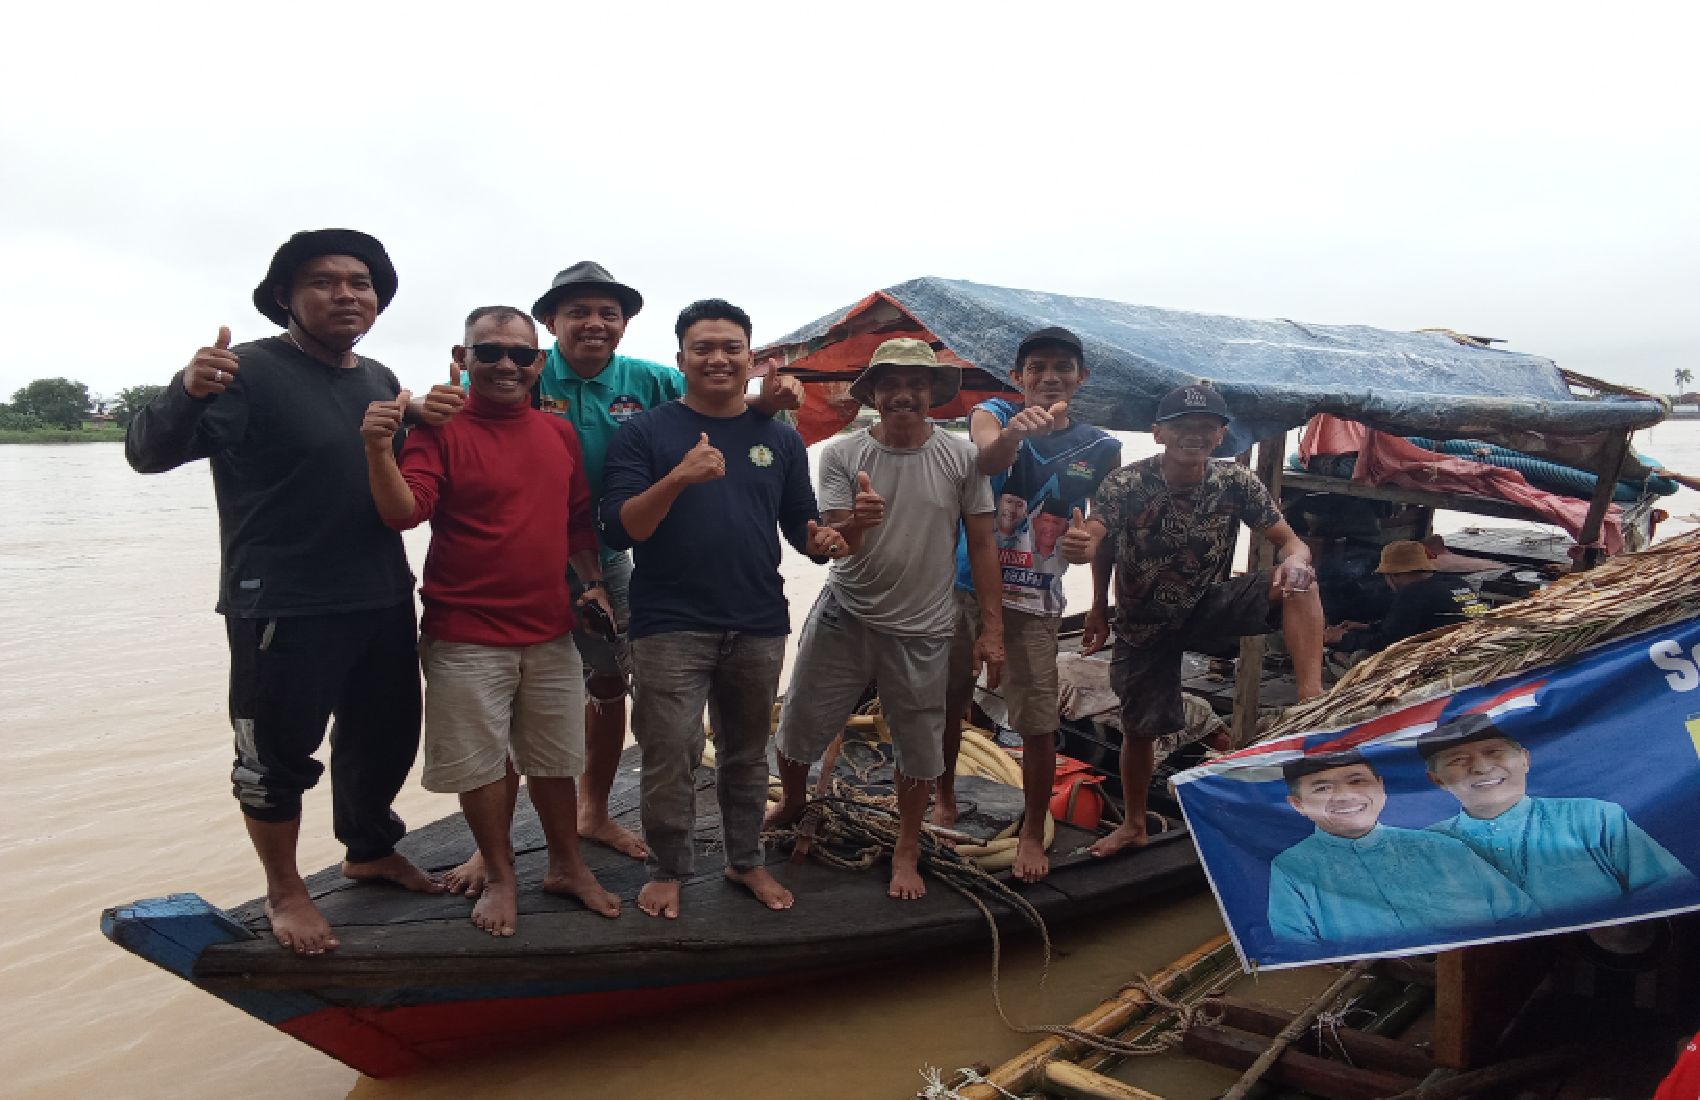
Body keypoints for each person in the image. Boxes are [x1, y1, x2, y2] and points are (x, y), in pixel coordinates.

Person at [124, 229, 443, 955]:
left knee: (385, 736)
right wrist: (185, 390)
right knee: (275, 756)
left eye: (360, 283)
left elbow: (386, 448)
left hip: (380, 592)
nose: (345, 294)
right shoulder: (245, 372)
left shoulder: (376, 376)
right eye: (324, 282)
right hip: (282, 602)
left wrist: (423, 408)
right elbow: (148, 453)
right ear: (285, 298)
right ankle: (285, 889)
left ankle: (369, 848)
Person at [442, 261, 802, 895]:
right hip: (515, 555)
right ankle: (487, 850)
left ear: (626, 324)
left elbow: (715, 396)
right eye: (577, 311)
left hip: (600, 552)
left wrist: (764, 401)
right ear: (550, 323)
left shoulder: (649, 380)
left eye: (608, 312)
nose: (594, 323)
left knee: (608, 680)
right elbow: (461, 411)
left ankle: (595, 810)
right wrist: (420, 406)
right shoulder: (519, 367)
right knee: (497, 696)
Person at [360, 306, 621, 936]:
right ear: (464, 356)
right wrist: (376, 446)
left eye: (520, 355)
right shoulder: (439, 430)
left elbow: (575, 522)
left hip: (551, 629)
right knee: (480, 765)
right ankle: (502, 875)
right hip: (466, 631)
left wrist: (591, 585)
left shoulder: (556, 434)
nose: (506, 365)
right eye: (490, 353)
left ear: (538, 363)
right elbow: (403, 513)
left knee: (556, 759)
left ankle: (566, 864)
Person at [600, 299, 843, 919]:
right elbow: (622, 529)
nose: (717, 358)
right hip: (668, 624)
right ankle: (668, 869)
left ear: (751, 358)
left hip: (757, 619)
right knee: (670, 753)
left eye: (731, 347)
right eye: (703, 347)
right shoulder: (645, 432)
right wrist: (678, 478)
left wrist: (843, 533)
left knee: (744, 752)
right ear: (680, 358)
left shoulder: (781, 439)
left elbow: (805, 535)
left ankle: (746, 862)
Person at [770, 338, 1002, 901]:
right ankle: (796, 802)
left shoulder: (962, 457)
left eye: (916, 384)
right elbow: (830, 542)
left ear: (932, 395)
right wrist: (858, 522)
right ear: (872, 392)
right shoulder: (842, 453)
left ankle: (905, 846)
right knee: (800, 721)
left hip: (923, 626)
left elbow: (983, 542)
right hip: (845, 614)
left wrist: (993, 628)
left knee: (919, 744)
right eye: (890, 383)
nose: (903, 394)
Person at [1065, 382, 1325, 857]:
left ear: (1221, 434)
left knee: (1300, 581)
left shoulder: (1236, 482)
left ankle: (1311, 698)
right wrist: (1097, 600)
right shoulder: (1129, 482)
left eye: (1206, 426)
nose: (1195, 435)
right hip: (1143, 619)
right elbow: (1098, 538)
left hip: (1209, 605)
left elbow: (1290, 540)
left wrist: (1296, 557)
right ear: (1158, 432)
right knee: (1140, 728)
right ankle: (1135, 823)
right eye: (1183, 426)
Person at [940, 325, 1122, 882]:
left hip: (1038, 601)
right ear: (1017, 378)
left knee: (1038, 722)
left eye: (1062, 368)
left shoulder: (1100, 445)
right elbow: (987, 462)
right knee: (946, 703)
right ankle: (943, 799)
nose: (1049, 377)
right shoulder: (991, 412)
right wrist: (1015, 435)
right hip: (964, 590)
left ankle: (1030, 828)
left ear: (1081, 377)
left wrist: (1096, 591)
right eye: (1036, 368)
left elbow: (1102, 521)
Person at [1421, 713, 1695, 915]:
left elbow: (1671, 894)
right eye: (1458, 760)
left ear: (1525, 759)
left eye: (1494, 751)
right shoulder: (1425, 848)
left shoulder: (1594, 817)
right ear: (1437, 780)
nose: (1481, 768)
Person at [1268, 752, 1536, 947]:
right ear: (1297, 804)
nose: (1345, 796)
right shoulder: (1293, 868)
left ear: (1381, 788)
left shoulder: (1441, 847)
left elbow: (1523, 917)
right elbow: (1297, 950)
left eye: (1358, 781)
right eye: (1323, 788)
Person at [1324, 540, 1489, 653]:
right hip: (1467, 644)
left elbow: (1387, 644)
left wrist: (1344, 637)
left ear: (1394, 575)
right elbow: (1417, 625)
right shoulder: (1459, 583)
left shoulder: (1413, 593)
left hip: (1439, 654)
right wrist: (1368, 628)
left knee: (1353, 657)